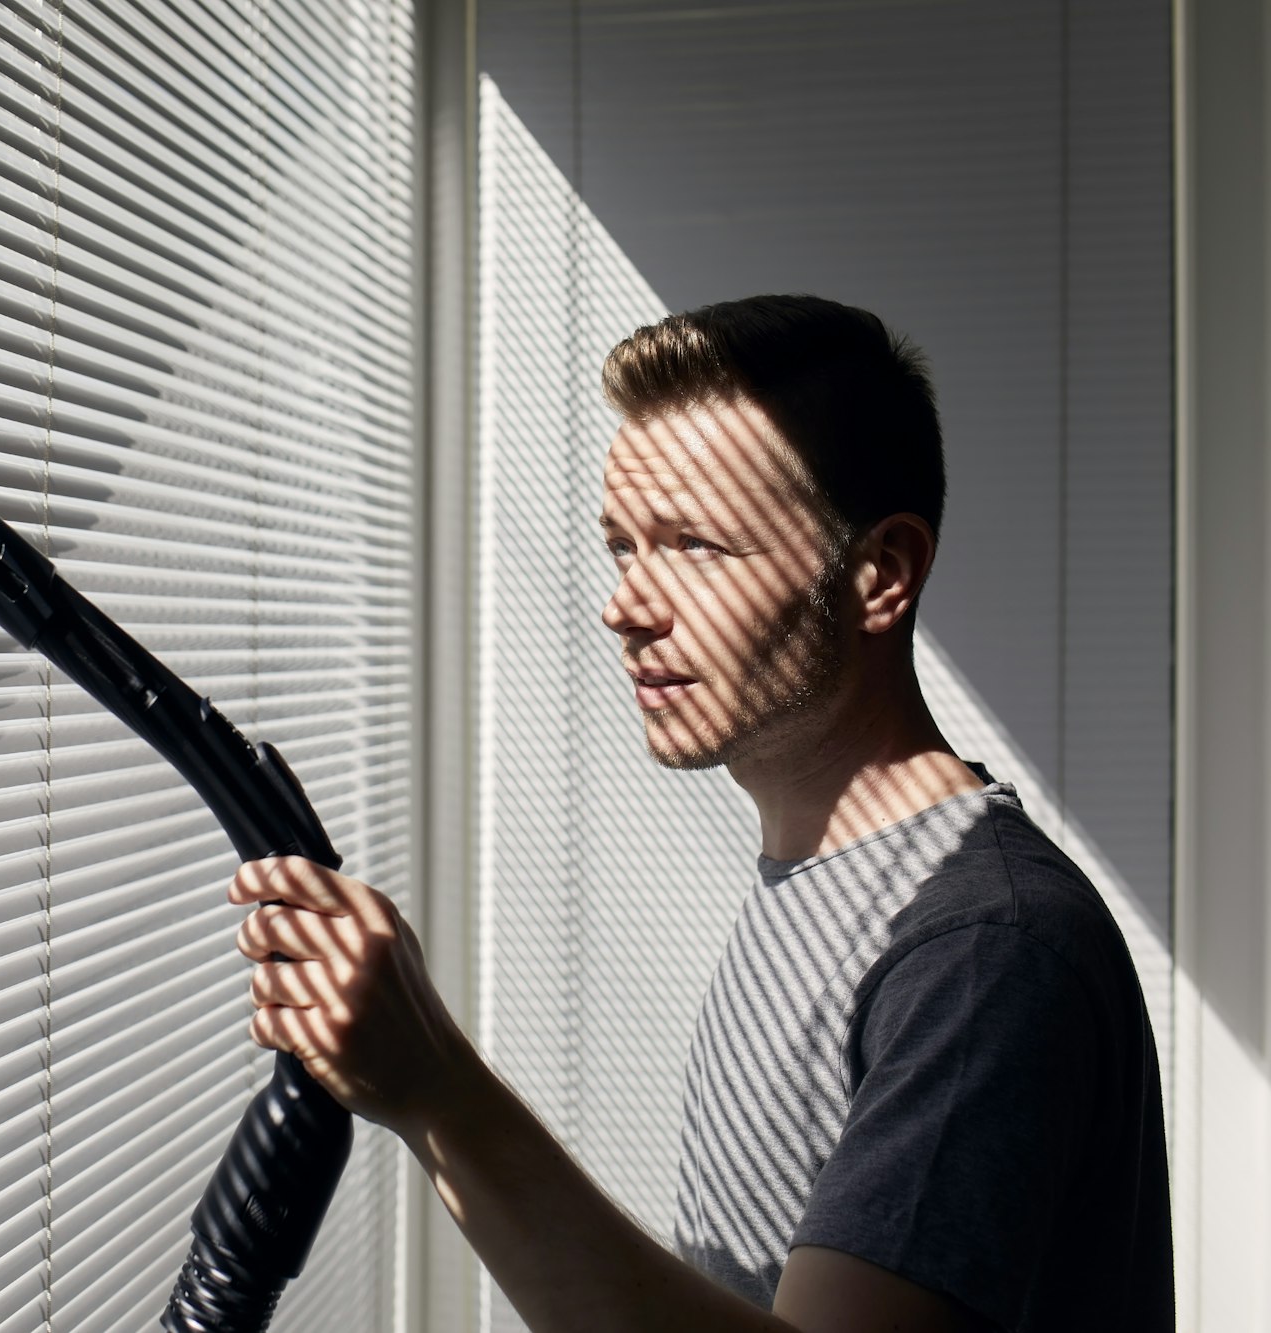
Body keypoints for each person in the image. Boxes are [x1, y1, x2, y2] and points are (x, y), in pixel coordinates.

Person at [229, 295, 1172, 1332]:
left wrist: (437, 1091)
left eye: (694, 546)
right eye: (622, 546)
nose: (625, 605)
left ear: (878, 574)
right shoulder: (825, 879)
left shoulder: (981, 951)